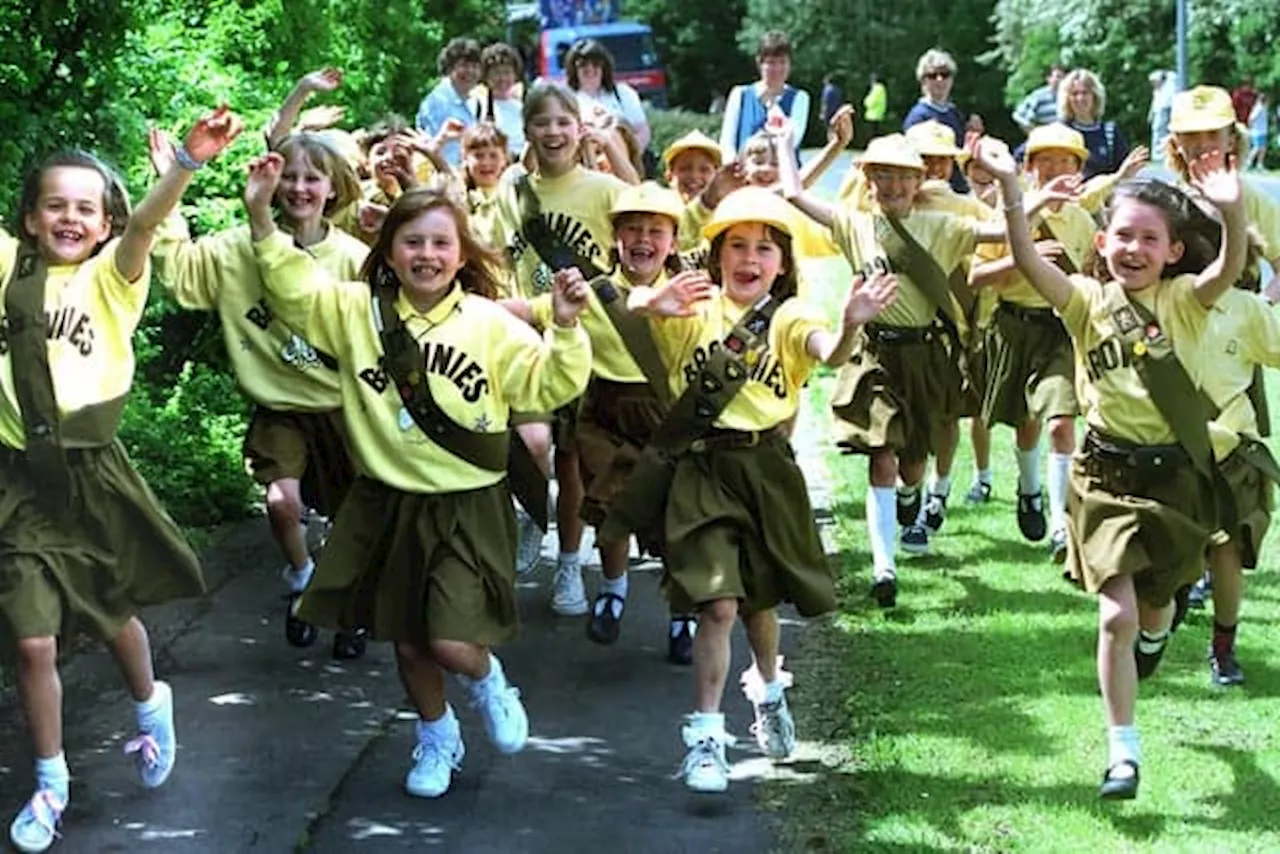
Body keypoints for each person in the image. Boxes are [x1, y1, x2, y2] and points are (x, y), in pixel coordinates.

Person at [244, 172, 592, 800]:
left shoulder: (490, 324)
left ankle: (488, 682)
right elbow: (294, 290)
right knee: (407, 644)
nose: (426, 255)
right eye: (412, 242)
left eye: (440, 243)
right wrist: (261, 219)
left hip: (468, 502)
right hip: (386, 502)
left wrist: (565, 328)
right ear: (389, 251)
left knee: (450, 639)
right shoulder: (355, 313)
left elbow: (547, 387)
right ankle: (437, 735)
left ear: (462, 254)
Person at [972, 133, 1247, 801]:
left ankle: (1158, 637)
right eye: (1123, 236)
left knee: (1152, 613)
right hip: (1104, 478)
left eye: (1151, 239)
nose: (1134, 249)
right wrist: (1014, 190)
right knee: (1114, 618)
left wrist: (1232, 213)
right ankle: (1122, 754)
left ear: (1173, 252)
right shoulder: (1084, 303)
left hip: (1173, 480)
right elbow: (1026, 261)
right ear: (1101, 243)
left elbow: (1228, 270)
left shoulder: (1184, 301)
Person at [3, 106, 241, 854]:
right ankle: (51, 781)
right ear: (32, 219)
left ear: (103, 222)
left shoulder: (113, 278)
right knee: (33, 642)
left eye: (86, 207)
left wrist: (186, 165)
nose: (70, 217)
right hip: (16, 483)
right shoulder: (10, 271)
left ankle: (150, 702)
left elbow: (145, 227)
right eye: (55, 205)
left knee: (109, 614)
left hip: (92, 476)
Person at [612, 186, 897, 793]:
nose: (750, 258)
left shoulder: (791, 316)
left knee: (759, 604)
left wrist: (850, 325)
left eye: (764, 248)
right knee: (717, 604)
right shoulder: (693, 305)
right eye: (737, 246)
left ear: (783, 262)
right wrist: (653, 299)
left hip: (765, 469)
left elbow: (826, 351)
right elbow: (638, 304)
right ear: (715, 256)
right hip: (699, 470)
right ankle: (708, 739)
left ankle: (767, 688)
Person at [150, 127, 372, 660]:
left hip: (345, 409)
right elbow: (179, 271)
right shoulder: (233, 249)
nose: (298, 188)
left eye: (311, 178)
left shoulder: (353, 257)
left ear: (333, 189)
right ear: (267, 184)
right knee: (280, 500)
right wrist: (170, 184)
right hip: (279, 409)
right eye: (287, 177)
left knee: (354, 520)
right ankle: (301, 575)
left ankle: (350, 606)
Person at [781, 134, 1022, 604]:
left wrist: (1011, 182)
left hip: (926, 355)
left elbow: (1008, 235)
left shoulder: (943, 225)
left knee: (914, 463)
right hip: (875, 354)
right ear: (868, 180)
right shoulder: (854, 223)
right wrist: (784, 141)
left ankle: (912, 501)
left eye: (903, 177)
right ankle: (884, 568)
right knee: (882, 454)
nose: (892, 185)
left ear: (920, 182)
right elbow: (793, 195)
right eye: (882, 175)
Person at [502, 182, 702, 662]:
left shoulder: (691, 294)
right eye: (632, 229)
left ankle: (683, 613)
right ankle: (613, 591)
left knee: (676, 519)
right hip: (603, 414)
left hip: (665, 415)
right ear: (615, 237)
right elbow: (530, 310)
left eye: (656, 231)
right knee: (611, 509)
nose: (643, 239)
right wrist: (460, 307)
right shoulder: (594, 293)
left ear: (673, 242)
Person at [492, 83, 630, 616]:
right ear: (526, 131)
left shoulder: (601, 189)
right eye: (541, 122)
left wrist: (613, 146)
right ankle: (532, 510)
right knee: (529, 443)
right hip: (529, 335)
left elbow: (650, 213)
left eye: (562, 122)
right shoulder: (513, 189)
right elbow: (496, 250)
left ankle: (569, 565)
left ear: (578, 128)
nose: (553, 132)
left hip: (591, 342)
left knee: (572, 463)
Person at [972, 123, 1097, 562]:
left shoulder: (1083, 221)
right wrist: (1021, 260)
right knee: (1026, 424)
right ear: (1028, 166)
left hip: (1060, 331)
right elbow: (976, 276)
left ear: (1080, 168)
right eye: (1046, 160)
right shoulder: (1010, 211)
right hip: (1013, 325)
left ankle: (1063, 528)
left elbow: (1095, 279)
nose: (1056, 169)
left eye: (1066, 161)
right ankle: (1029, 490)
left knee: (1061, 423)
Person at [718, 31, 811, 162]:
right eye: (771, 63)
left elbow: (792, 141)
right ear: (759, 63)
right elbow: (727, 143)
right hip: (745, 173)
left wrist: (771, 105)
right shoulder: (740, 94)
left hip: (784, 175)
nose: (777, 68)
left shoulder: (800, 98)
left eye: (783, 62)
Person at [565, 39, 652, 152]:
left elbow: (642, 131)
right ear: (573, 69)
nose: (590, 68)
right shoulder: (566, 98)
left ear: (604, 66)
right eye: (583, 64)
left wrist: (630, 157)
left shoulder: (623, 93)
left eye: (596, 64)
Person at [902, 49, 968, 193]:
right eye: (932, 75)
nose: (940, 80)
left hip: (957, 188)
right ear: (923, 80)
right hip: (928, 190)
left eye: (945, 75)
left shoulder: (954, 113)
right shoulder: (918, 116)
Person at [415, 37, 483, 168]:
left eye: (475, 66)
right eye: (464, 65)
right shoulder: (438, 102)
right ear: (450, 68)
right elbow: (438, 149)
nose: (470, 71)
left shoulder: (474, 101)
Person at [1058, 69, 1131, 181]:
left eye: (1085, 93)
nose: (1080, 98)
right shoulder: (1060, 131)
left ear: (1095, 96)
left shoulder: (1110, 133)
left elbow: (1125, 173)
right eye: (1074, 93)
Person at [473, 42, 526, 160]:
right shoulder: (478, 106)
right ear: (486, 76)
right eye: (496, 73)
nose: (502, 78)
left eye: (507, 72)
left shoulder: (522, 108)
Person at [1012, 64, 1066, 134]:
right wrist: (1032, 131)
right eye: (1058, 77)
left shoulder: (1069, 96)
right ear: (1048, 78)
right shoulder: (1038, 96)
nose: (1060, 80)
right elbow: (1018, 115)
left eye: (1063, 78)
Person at [1148, 70, 1176, 159]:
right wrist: (1151, 114)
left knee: (1164, 133)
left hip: (1166, 110)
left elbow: (1170, 101)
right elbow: (1155, 102)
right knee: (1157, 132)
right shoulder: (1157, 90)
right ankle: (1157, 155)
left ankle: (1164, 154)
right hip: (1159, 112)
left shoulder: (1170, 85)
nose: (1153, 84)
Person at [1247, 93, 1270, 171]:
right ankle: (1248, 163)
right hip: (1257, 131)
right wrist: (1251, 127)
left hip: (1263, 131)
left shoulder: (1264, 108)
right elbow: (1251, 118)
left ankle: (1259, 165)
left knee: (1263, 148)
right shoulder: (1258, 108)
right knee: (1256, 148)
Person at [863, 72, 888, 139]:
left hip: (873, 114)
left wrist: (865, 102)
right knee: (875, 132)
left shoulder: (877, 88)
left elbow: (871, 101)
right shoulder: (882, 89)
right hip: (878, 114)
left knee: (871, 134)